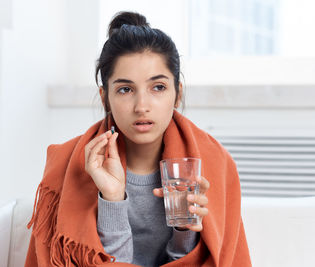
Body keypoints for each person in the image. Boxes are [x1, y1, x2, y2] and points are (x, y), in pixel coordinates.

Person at [25, 11, 251, 267]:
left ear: (177, 95)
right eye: (125, 89)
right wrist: (112, 199)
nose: (142, 106)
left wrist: (186, 231)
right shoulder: (68, 164)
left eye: (158, 87)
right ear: (104, 98)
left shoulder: (215, 164)